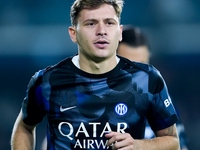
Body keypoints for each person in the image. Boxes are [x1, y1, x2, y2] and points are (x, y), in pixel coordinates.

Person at [11, 0, 180, 149]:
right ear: (73, 33)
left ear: (119, 32)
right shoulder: (47, 81)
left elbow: (172, 141)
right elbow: (25, 127)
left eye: (109, 23)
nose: (101, 31)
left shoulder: (147, 79)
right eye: (91, 23)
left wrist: (138, 145)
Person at [117, 25, 188, 150]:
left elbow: (179, 146)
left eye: (143, 66)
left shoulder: (162, 104)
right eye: (128, 65)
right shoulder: (88, 104)